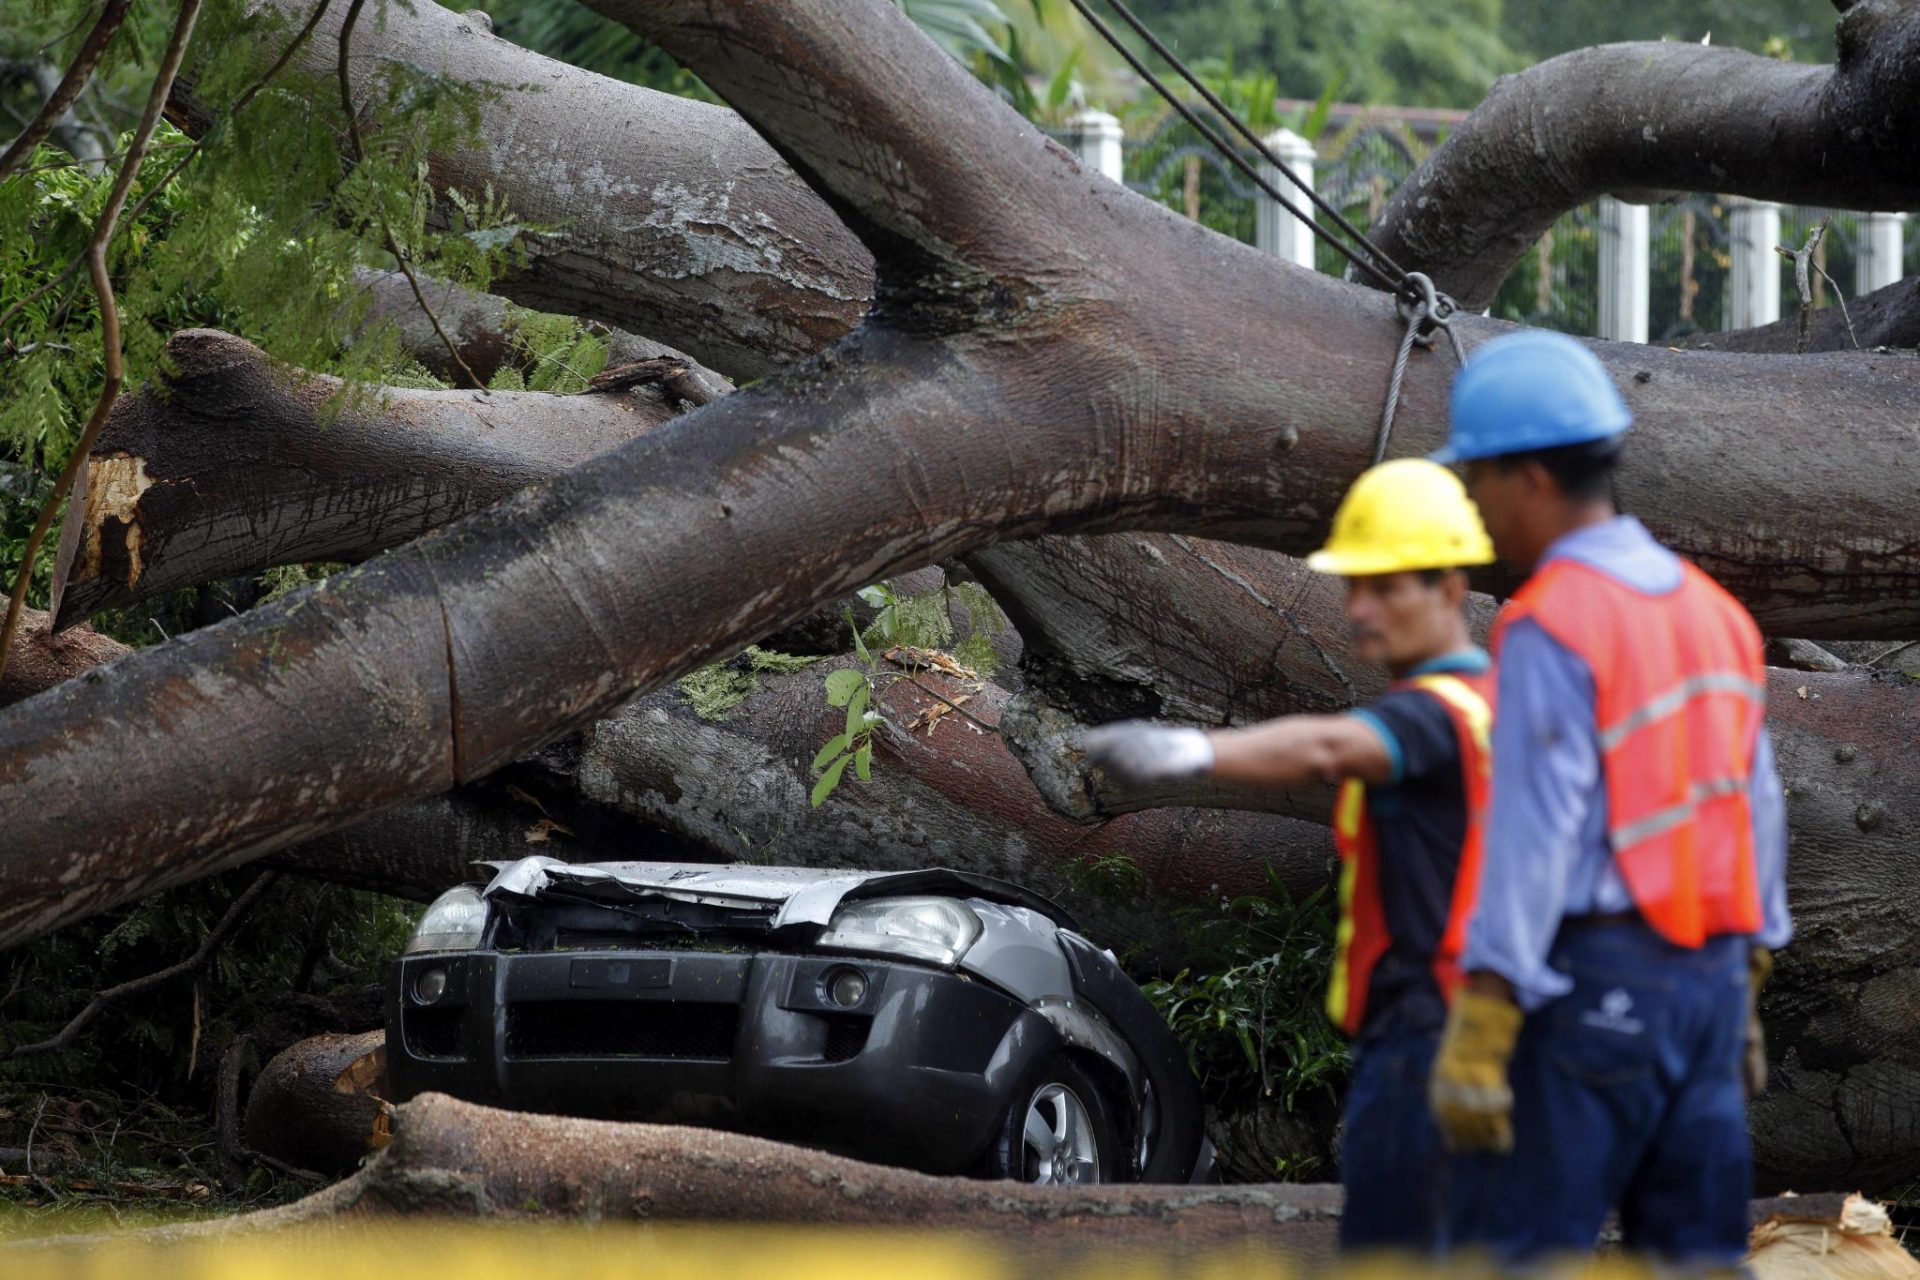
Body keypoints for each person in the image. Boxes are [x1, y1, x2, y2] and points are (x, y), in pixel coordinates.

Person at [1425, 331, 1791, 1270]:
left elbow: (1532, 831)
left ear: (1531, 478)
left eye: (1477, 480)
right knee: (1699, 1260)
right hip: (1709, 987)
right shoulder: (1715, 613)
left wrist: (1488, 1007)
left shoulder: (1552, 623)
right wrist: (1746, 979)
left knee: (1520, 1254)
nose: (1472, 504)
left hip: (1598, 985)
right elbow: (1755, 807)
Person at [1083, 458, 1496, 1254]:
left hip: (1432, 1031)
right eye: (1354, 587)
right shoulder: (1494, 702)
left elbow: (1328, 746)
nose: (1360, 610)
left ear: (1450, 589)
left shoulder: (1435, 717)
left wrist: (1189, 752)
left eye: (1386, 587)